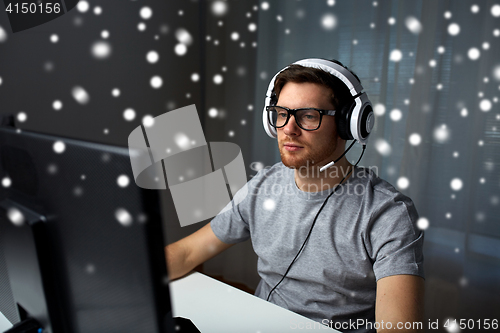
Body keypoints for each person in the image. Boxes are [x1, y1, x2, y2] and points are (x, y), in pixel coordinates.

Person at [165, 58, 424, 332]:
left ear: (349, 124)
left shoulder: (388, 214)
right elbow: (187, 252)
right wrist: (131, 277)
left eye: (309, 116)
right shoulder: (263, 186)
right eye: (281, 113)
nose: (289, 128)